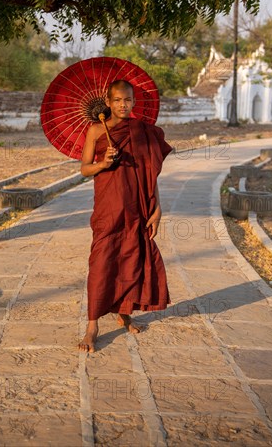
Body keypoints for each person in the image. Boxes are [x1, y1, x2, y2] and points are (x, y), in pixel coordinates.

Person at [78, 79, 173, 352]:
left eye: (128, 100)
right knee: (101, 262)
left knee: (132, 257)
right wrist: (103, 163)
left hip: (137, 206)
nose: (123, 105)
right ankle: (92, 325)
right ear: (108, 102)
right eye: (118, 100)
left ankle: (124, 312)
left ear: (133, 102)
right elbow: (84, 169)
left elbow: (149, 171)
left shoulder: (141, 131)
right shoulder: (96, 130)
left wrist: (157, 207)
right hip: (108, 209)